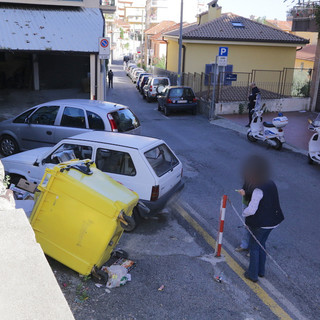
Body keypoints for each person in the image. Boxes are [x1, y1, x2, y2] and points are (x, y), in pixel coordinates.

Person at [240, 155, 284, 282]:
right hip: (273, 221)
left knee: (254, 248)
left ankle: (252, 274)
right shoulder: (270, 182)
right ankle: (261, 271)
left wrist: (244, 213)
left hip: (261, 223)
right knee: (262, 245)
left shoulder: (258, 189)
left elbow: (252, 209)